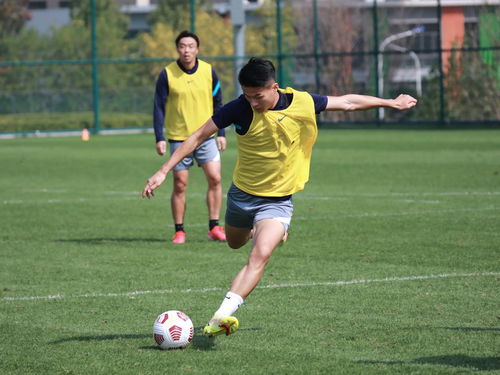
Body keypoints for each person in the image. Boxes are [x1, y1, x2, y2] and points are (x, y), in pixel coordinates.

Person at [143, 57, 417, 337]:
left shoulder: (302, 101)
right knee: (235, 243)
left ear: (274, 87)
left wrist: (391, 102)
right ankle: (261, 230)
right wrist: (163, 170)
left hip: (277, 201)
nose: (252, 102)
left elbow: (347, 102)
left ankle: (221, 316)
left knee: (259, 256)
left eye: (257, 96)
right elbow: (198, 136)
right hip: (242, 196)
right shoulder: (239, 108)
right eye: (247, 96)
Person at [153, 30, 227, 244]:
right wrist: (159, 136)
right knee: (180, 184)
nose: (187, 50)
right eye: (183, 46)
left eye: (191, 46)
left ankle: (214, 227)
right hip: (179, 137)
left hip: (206, 136)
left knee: (215, 178)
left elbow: (219, 103)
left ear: (197, 49)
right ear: (177, 48)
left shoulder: (208, 71)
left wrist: (221, 133)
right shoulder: (167, 74)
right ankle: (179, 230)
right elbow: (158, 106)